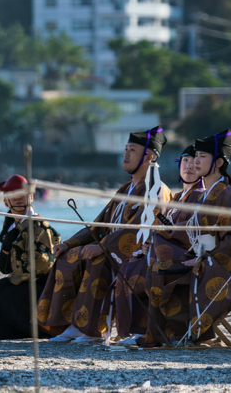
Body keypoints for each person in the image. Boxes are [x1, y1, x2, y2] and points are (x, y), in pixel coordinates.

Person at [39, 126, 171, 344]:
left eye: (132, 150)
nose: (125, 154)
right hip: (111, 247)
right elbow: (99, 225)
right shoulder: (125, 189)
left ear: (149, 157)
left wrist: (103, 247)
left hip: (138, 252)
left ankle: (93, 329)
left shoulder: (157, 189)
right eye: (125, 149)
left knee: (99, 260)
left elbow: (140, 228)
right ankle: (74, 324)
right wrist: (70, 243)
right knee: (67, 257)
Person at [168, 130, 231, 344]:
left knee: (168, 275)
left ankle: (191, 334)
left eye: (202, 156)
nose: (196, 161)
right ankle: (167, 333)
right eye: (195, 156)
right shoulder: (206, 193)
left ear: (219, 162)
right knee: (159, 270)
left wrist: (204, 259)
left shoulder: (225, 194)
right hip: (201, 257)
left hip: (219, 264)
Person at [137, 144, 207, 345]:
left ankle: (163, 332)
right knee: (133, 264)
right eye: (185, 160)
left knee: (156, 271)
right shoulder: (177, 197)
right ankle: (141, 330)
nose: (189, 166)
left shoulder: (202, 195)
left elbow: (194, 230)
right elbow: (166, 230)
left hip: (185, 256)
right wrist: (150, 242)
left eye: (194, 162)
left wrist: (161, 235)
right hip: (166, 253)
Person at [0, 175, 60, 340]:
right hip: (27, 281)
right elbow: (4, 268)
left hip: (44, 284)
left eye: (22, 194)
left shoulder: (39, 225)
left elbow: (43, 263)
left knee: (7, 293)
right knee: (3, 293)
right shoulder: (13, 226)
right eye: (13, 194)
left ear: (31, 197)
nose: (18, 198)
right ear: (6, 201)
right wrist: (6, 247)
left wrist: (11, 279)